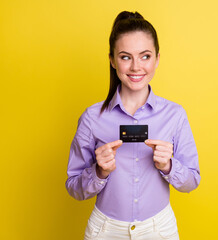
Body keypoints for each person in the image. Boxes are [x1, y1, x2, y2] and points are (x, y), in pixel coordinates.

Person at [65, 11, 200, 240]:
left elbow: (191, 182)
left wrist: (168, 166)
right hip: (105, 231)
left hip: (160, 230)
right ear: (112, 59)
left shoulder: (175, 115)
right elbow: (74, 188)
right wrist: (99, 172)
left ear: (157, 58)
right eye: (126, 57)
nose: (136, 66)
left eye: (145, 56)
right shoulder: (91, 118)